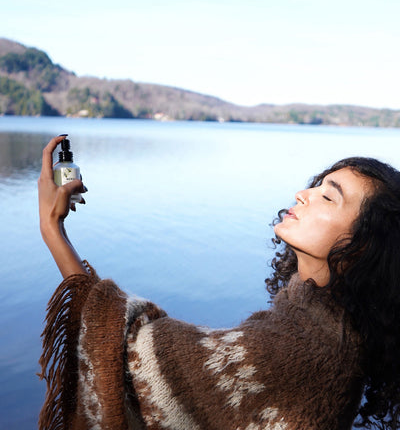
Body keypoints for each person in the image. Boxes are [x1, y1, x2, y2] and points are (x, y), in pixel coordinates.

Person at [38, 135, 400, 430]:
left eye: (327, 195)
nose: (303, 194)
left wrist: (52, 229)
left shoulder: (300, 354)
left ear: (364, 246)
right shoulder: (334, 336)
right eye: (316, 185)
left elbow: (132, 353)